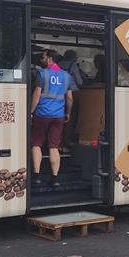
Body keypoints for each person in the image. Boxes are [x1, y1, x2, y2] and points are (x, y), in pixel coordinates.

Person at [30, 49, 73, 187]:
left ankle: (36, 176)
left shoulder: (41, 74)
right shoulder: (66, 76)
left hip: (42, 114)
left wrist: (30, 112)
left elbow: (36, 95)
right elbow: (70, 98)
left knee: (36, 144)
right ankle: (54, 178)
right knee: (54, 147)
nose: (41, 60)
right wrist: (68, 113)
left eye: (43, 57)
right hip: (58, 116)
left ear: (49, 59)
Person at [58, 50, 83, 147]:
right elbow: (79, 81)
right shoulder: (72, 65)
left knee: (59, 118)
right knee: (70, 120)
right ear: (73, 57)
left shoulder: (57, 65)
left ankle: (58, 142)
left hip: (59, 93)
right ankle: (66, 143)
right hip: (72, 93)